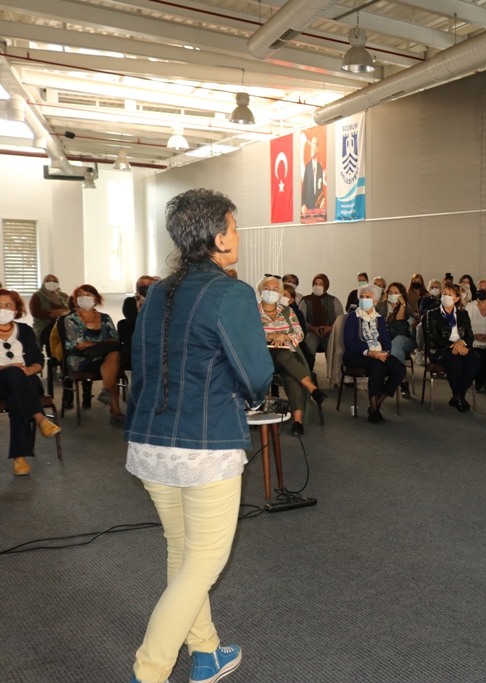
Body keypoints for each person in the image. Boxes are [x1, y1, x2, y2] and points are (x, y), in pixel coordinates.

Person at [124, 188, 274, 683]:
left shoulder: (160, 291)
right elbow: (256, 375)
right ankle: (149, 673)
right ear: (216, 237)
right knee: (201, 565)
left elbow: (144, 367)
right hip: (203, 448)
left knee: (181, 551)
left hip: (149, 442)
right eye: (233, 225)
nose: (238, 233)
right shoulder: (233, 293)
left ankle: (206, 650)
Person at [0, 289, 61, 476]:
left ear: (17, 309)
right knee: (13, 375)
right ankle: (40, 419)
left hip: (26, 381)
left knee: (17, 394)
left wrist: (28, 370)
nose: (3, 309)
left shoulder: (25, 330)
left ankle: (20, 459)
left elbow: (38, 362)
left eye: (8, 305)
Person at [258, 276, 326, 436]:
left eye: (275, 290)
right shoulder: (252, 312)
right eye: (267, 288)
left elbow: (299, 333)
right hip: (264, 357)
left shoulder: (288, 311)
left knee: (291, 376)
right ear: (260, 291)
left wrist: (285, 337)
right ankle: (313, 389)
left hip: (287, 356)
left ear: (281, 292)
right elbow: (247, 335)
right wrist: (270, 337)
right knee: (282, 354)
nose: (271, 292)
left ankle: (297, 422)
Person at [343, 284, 406, 423]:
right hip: (356, 355)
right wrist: (369, 352)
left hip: (378, 354)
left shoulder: (379, 318)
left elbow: (386, 340)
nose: (363, 299)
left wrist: (386, 352)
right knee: (377, 366)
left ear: (375, 301)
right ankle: (373, 408)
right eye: (361, 297)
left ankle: (377, 401)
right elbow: (349, 343)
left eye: (367, 297)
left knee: (400, 369)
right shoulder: (352, 317)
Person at [64, 284, 124, 425]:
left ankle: (107, 392)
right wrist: (102, 343)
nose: (84, 298)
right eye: (80, 296)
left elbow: (115, 338)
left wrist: (92, 343)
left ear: (96, 299)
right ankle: (116, 412)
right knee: (111, 367)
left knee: (114, 356)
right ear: (75, 300)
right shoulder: (71, 320)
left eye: (89, 295)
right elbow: (78, 344)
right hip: (81, 359)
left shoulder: (105, 318)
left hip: (104, 357)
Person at [425, 284, 480, 411]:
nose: (446, 297)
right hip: (440, 349)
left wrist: (462, 344)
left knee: (474, 362)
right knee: (455, 364)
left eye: (450, 295)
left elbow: (470, 336)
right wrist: (453, 346)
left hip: (460, 346)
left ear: (456, 298)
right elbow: (433, 336)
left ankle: (457, 396)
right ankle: (459, 398)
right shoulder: (432, 314)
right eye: (445, 294)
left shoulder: (463, 313)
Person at [377, 282, 415, 398]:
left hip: (405, 339)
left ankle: (393, 377)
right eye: (390, 292)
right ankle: (402, 381)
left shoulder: (406, 306)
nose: (393, 295)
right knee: (395, 347)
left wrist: (402, 305)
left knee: (397, 341)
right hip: (386, 341)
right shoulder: (380, 306)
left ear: (402, 294)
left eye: (396, 293)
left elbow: (399, 325)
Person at [299, 273, 342, 358]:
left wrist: (329, 327)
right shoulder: (305, 301)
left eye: (321, 284)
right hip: (312, 331)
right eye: (315, 283)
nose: (317, 286)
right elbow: (301, 319)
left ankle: (333, 371)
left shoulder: (333, 300)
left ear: (326, 286)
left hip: (330, 331)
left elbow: (340, 319)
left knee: (332, 344)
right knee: (309, 342)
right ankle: (308, 369)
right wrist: (312, 328)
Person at [28, 274, 71, 346]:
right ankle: (52, 356)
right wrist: (50, 314)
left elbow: (70, 308)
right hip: (44, 325)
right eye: (48, 281)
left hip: (63, 324)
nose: (51, 283)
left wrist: (62, 312)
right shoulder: (37, 295)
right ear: (44, 282)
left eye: (54, 281)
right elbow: (35, 312)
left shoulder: (63, 295)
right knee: (52, 334)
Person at [300, 134, 325, 218]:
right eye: (311, 144)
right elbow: (304, 188)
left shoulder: (320, 168)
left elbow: (321, 188)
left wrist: (322, 200)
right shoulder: (308, 167)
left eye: (313, 144)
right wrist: (303, 204)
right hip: (308, 209)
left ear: (317, 148)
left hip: (318, 209)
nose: (311, 147)